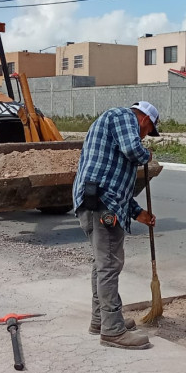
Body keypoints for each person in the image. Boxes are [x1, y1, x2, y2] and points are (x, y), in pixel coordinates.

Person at [73, 101, 160, 349]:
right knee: (109, 265)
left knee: (102, 264)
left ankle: (101, 320)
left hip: (98, 201)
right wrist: (148, 155)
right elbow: (134, 150)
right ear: (144, 119)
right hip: (101, 205)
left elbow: (113, 183)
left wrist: (137, 212)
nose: (144, 136)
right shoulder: (123, 116)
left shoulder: (113, 124)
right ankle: (112, 331)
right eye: (148, 130)